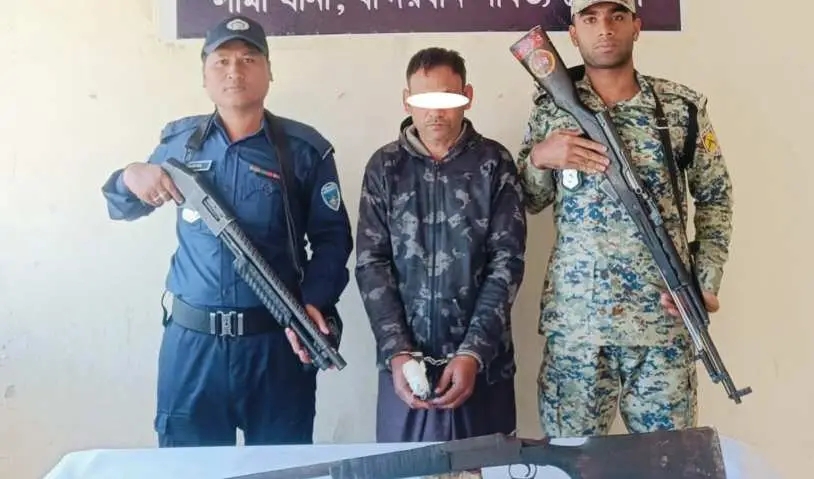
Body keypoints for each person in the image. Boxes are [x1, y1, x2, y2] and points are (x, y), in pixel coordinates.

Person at [100, 15, 353, 447]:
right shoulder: (178, 144)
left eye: (248, 59)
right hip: (192, 345)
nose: (235, 71)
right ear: (205, 75)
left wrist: (314, 301)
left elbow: (333, 238)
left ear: (269, 72)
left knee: (280, 469)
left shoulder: (303, 150)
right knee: (188, 470)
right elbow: (120, 205)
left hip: (276, 342)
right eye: (222, 61)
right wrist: (130, 174)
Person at [515, 0, 734, 438]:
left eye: (617, 16)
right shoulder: (549, 109)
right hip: (578, 326)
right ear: (573, 33)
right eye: (590, 18)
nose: (605, 29)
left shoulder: (680, 108)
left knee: (668, 462)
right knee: (570, 459)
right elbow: (528, 201)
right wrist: (541, 157)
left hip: (661, 324)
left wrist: (706, 281)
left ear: (636, 25)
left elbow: (716, 197)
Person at [354, 47, 526, 468]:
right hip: (406, 371)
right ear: (406, 101)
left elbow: (507, 262)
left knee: (484, 471)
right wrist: (397, 350)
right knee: (403, 470)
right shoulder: (385, 167)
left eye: (447, 98)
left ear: (467, 96)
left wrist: (473, 352)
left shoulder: (494, 164)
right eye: (423, 99)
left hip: (483, 368)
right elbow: (371, 263)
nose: (435, 112)